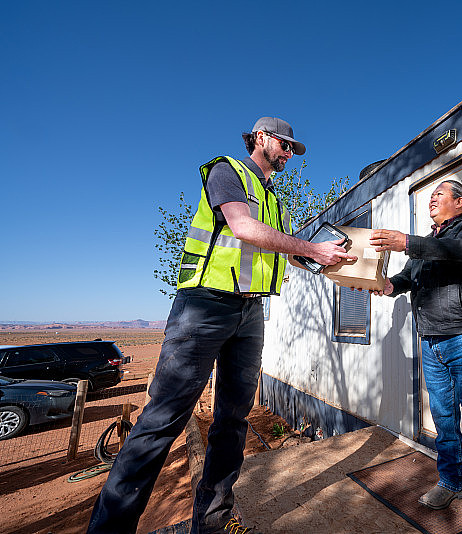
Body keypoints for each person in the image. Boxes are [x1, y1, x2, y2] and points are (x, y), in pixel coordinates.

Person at [87, 117, 355, 534]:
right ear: (261, 137)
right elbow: (242, 228)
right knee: (161, 422)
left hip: (250, 314)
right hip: (204, 307)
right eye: (285, 145)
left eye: (291, 150)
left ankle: (211, 524)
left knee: (233, 421)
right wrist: (311, 248)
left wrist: (332, 258)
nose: (288, 154)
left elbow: (288, 253)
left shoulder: (276, 203)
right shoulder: (228, 171)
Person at [369, 179, 462, 534]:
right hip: (431, 342)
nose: (432, 199)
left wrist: (407, 242)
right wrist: (387, 286)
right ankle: (451, 482)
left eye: (439, 195)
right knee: (444, 420)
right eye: (430, 196)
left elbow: (460, 252)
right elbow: (405, 278)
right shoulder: (430, 244)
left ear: (460, 203)